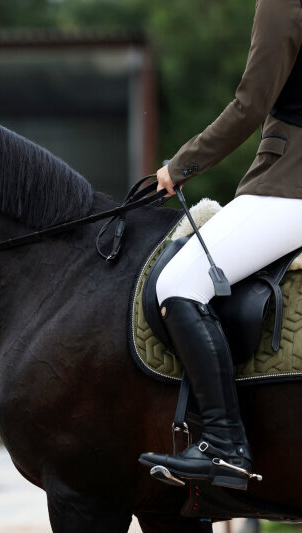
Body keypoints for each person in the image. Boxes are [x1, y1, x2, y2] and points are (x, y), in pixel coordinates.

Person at [138, 0, 302, 491]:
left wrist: (178, 167)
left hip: (292, 187)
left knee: (179, 282)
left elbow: (250, 104)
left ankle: (226, 446)